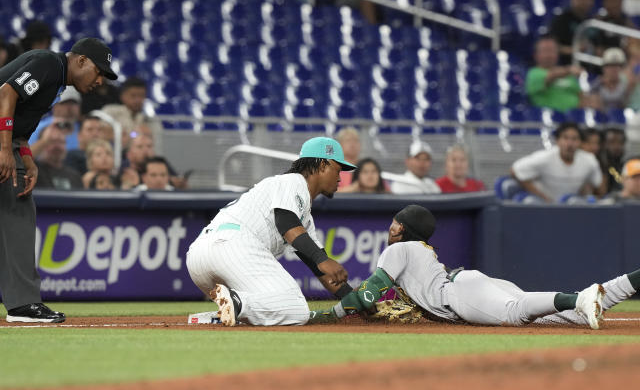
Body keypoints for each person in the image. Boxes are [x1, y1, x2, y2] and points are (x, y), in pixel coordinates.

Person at [309, 204, 639, 331]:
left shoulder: (399, 249)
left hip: (460, 293)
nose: (390, 228)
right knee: (569, 317)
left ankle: (577, 298)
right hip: (471, 284)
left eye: (394, 223)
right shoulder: (419, 250)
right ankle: (603, 292)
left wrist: (325, 315)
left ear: (400, 228)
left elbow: (368, 297)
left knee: (515, 312)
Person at [0, 36, 117, 323]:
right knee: (17, 213)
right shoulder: (48, 63)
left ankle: (22, 303)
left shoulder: (56, 82)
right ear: (80, 60)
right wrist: (4, 148)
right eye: (98, 71)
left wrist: (25, 156)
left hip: (8, 140)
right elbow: (5, 94)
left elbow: (21, 122)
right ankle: (22, 305)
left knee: (16, 209)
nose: (100, 81)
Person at [186, 137, 356, 326]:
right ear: (323, 164)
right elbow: (286, 222)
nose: (340, 178)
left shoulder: (303, 216)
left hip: (199, 256)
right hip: (233, 245)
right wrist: (322, 260)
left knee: (267, 309)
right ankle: (236, 303)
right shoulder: (293, 182)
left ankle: (221, 313)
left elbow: (318, 267)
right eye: (338, 169)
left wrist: (356, 301)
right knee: (296, 308)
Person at [511, 122, 602, 203]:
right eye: (565, 138)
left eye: (574, 139)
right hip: (543, 207)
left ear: (580, 142)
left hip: (571, 207)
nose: (570, 143)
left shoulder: (590, 160)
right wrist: (544, 199)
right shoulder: (544, 158)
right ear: (557, 141)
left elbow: (596, 184)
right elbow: (515, 170)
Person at [101, 77, 164, 154]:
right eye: (133, 96)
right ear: (122, 96)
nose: (138, 100)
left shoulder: (150, 120)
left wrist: (132, 135)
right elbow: (101, 134)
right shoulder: (110, 112)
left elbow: (158, 142)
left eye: (141, 96)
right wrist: (134, 134)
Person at [525, 36, 589, 112]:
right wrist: (568, 70)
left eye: (552, 51)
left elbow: (581, 95)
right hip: (549, 120)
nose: (549, 55)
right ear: (536, 55)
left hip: (575, 119)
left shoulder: (568, 76)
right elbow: (550, 77)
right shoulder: (533, 73)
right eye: (545, 51)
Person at [28, 86, 82, 154]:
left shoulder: (85, 128)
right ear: (55, 106)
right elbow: (25, 157)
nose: (69, 108)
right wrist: (44, 141)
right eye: (65, 103)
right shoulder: (37, 127)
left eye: (74, 103)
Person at [548, 0, 595, 66]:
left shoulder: (594, 22)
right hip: (566, 66)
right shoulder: (561, 20)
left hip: (594, 67)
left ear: (592, 1)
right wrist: (575, 50)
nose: (583, 1)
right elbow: (552, 48)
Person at [34, 122, 83, 190]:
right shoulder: (33, 169)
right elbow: (22, 158)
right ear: (42, 144)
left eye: (61, 142)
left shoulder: (75, 176)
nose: (58, 146)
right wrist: (44, 140)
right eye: (52, 141)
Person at [601, 126, 627, 193]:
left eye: (620, 142)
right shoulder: (599, 165)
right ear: (604, 144)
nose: (617, 146)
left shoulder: (625, 165)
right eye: (612, 142)